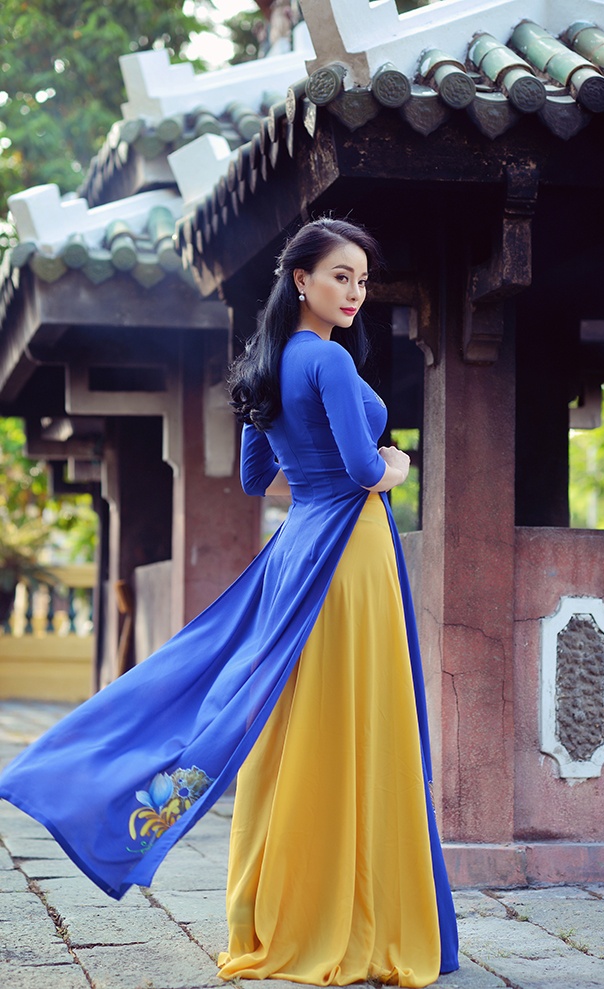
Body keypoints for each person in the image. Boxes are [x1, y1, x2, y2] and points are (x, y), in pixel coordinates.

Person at [0, 217, 459, 985]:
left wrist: (314, 475)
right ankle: (352, 915)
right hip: (349, 550)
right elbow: (362, 470)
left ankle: (278, 908)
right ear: (301, 280)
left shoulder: (265, 364)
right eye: (340, 275)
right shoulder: (330, 362)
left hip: (297, 548)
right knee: (352, 720)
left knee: (294, 725)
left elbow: (254, 479)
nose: (355, 291)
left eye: (362, 279)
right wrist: (399, 463)